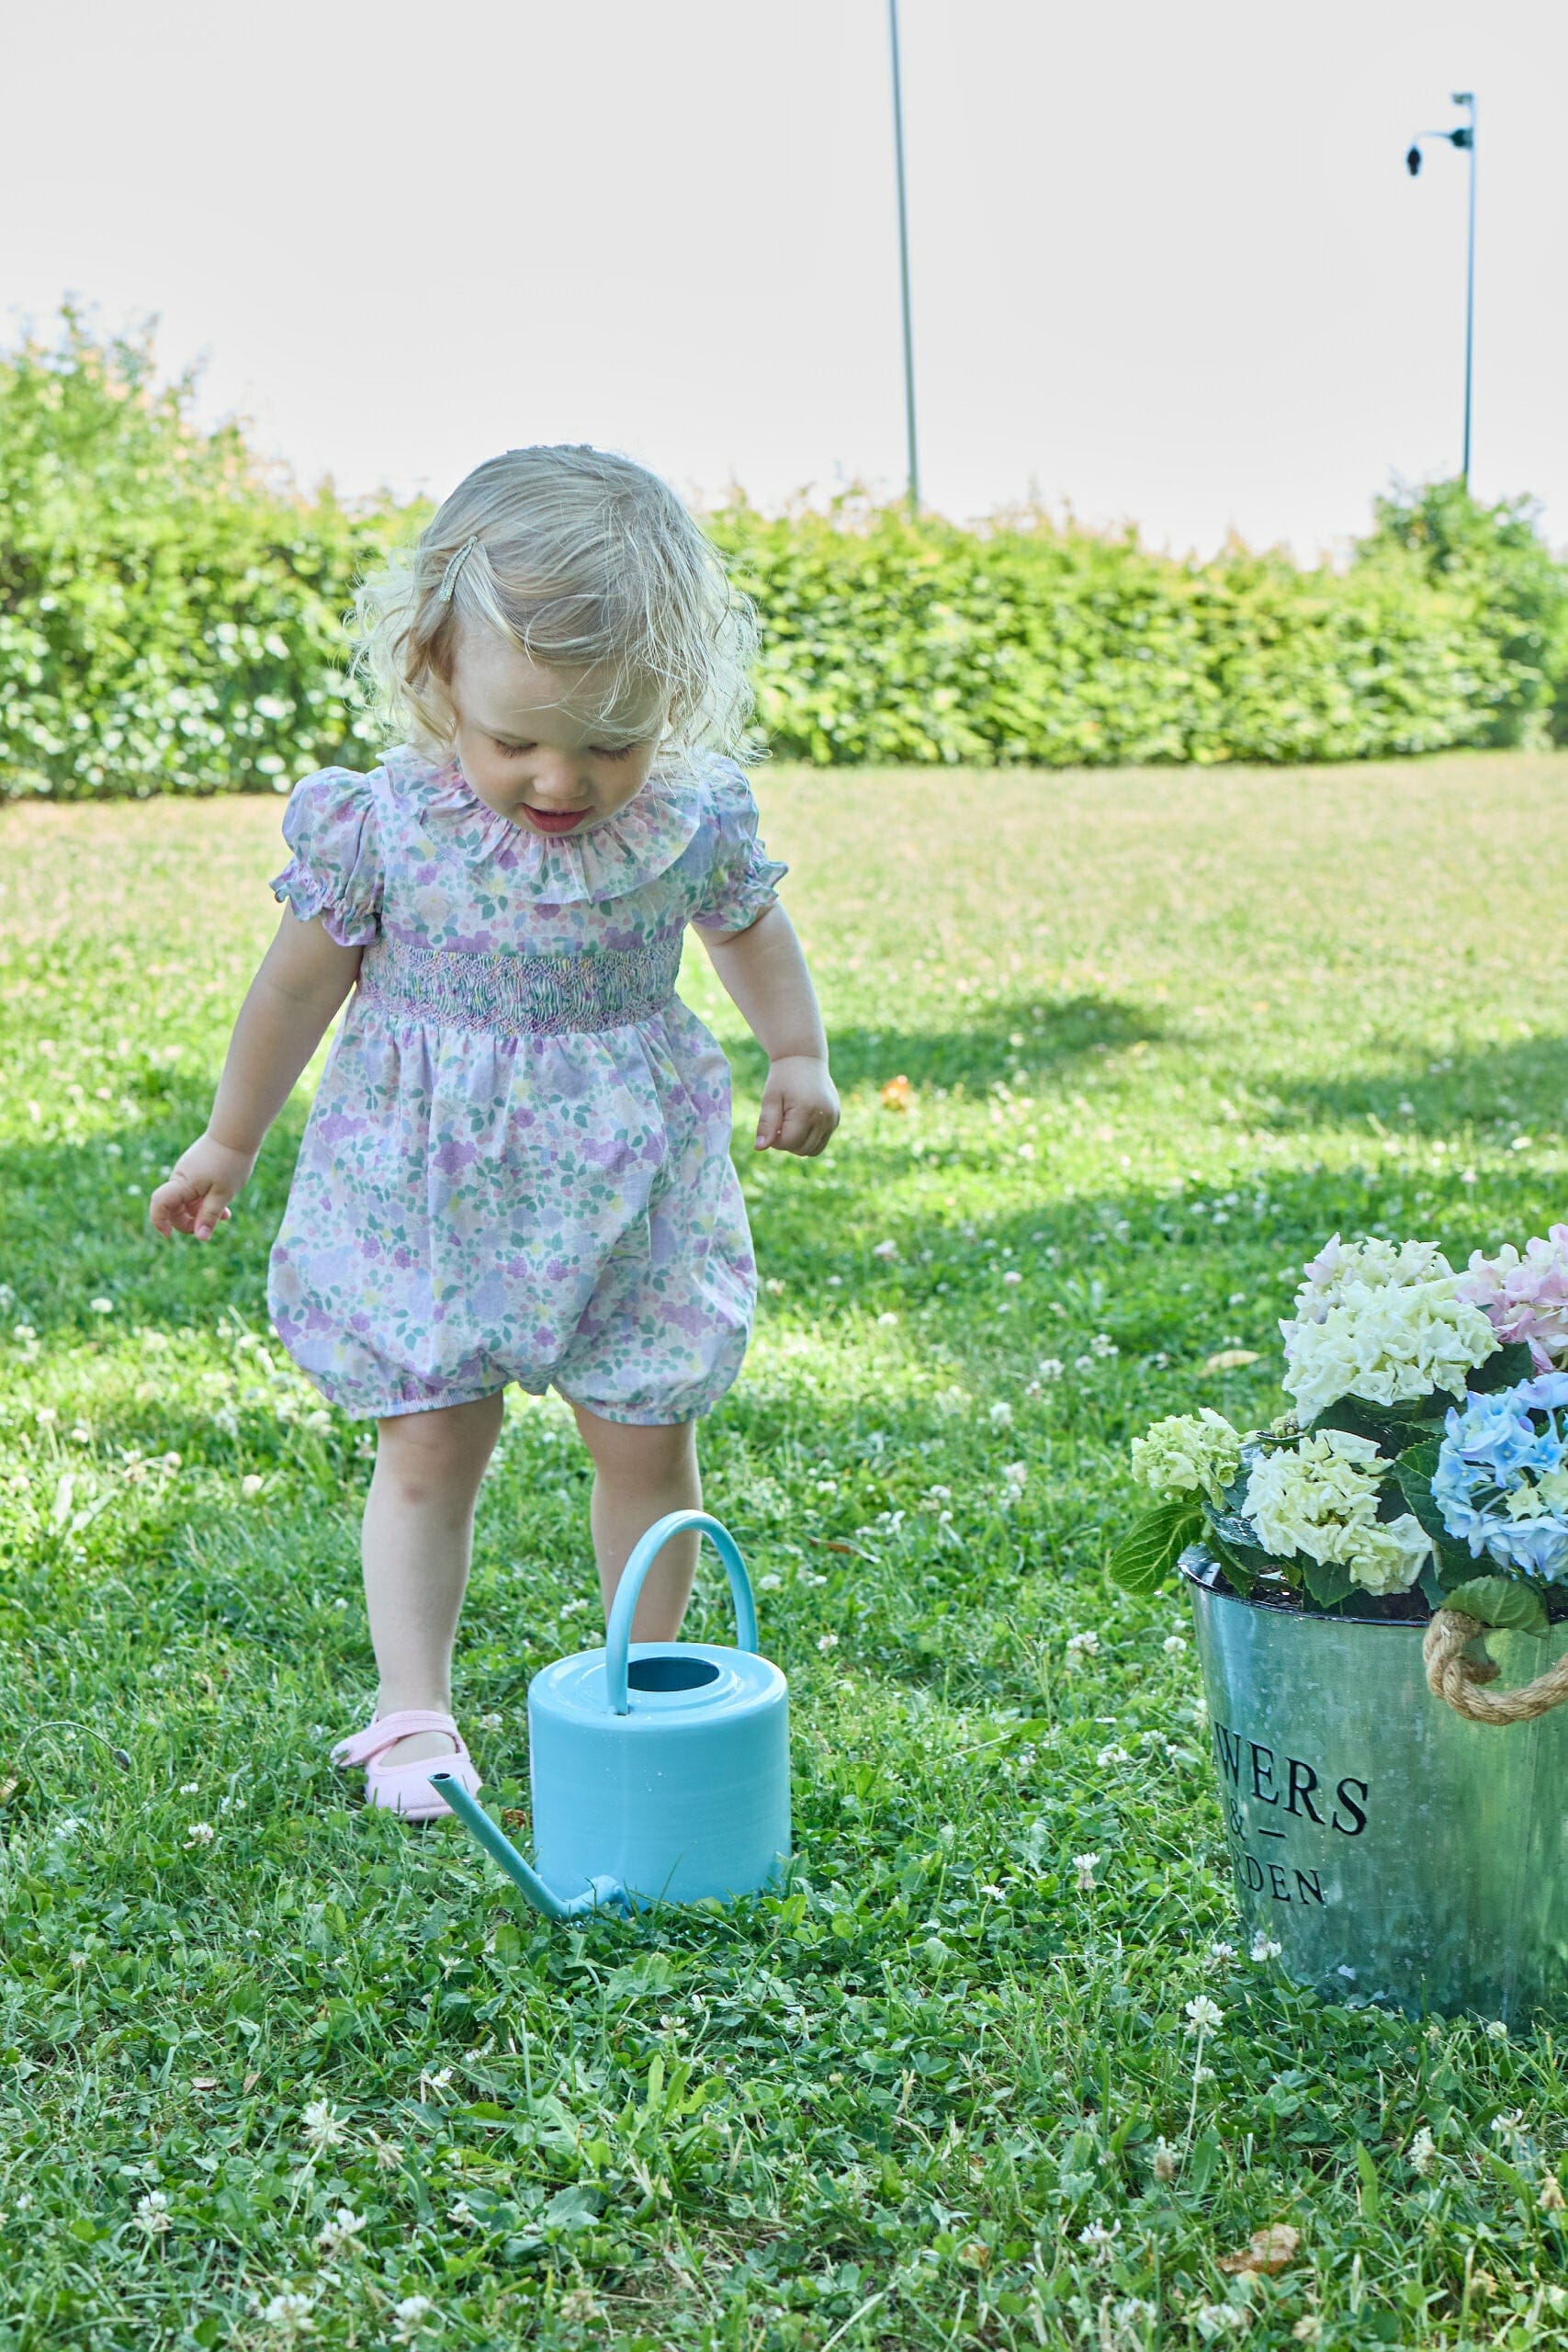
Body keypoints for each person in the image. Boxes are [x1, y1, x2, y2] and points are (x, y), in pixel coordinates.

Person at [150, 445, 838, 1821]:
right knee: (428, 1440)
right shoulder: (384, 826)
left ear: (676, 704)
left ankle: (646, 1684)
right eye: (516, 740)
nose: (561, 781)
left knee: (645, 1433)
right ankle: (413, 1715)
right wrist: (230, 1138)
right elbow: (297, 983)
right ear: (434, 674)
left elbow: (751, 930)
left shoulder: (689, 819)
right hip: (428, 1183)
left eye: (609, 743)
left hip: (629, 1180)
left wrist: (799, 1051)